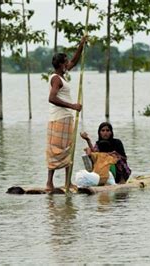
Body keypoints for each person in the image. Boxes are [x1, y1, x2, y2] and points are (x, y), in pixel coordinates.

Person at [45, 35, 88, 192]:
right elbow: (52, 98)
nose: (68, 64)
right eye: (66, 62)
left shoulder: (62, 75)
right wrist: (73, 106)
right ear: (61, 65)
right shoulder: (56, 79)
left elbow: (74, 62)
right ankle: (49, 182)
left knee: (68, 149)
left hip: (66, 118)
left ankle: (67, 182)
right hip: (58, 118)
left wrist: (81, 45)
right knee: (55, 150)